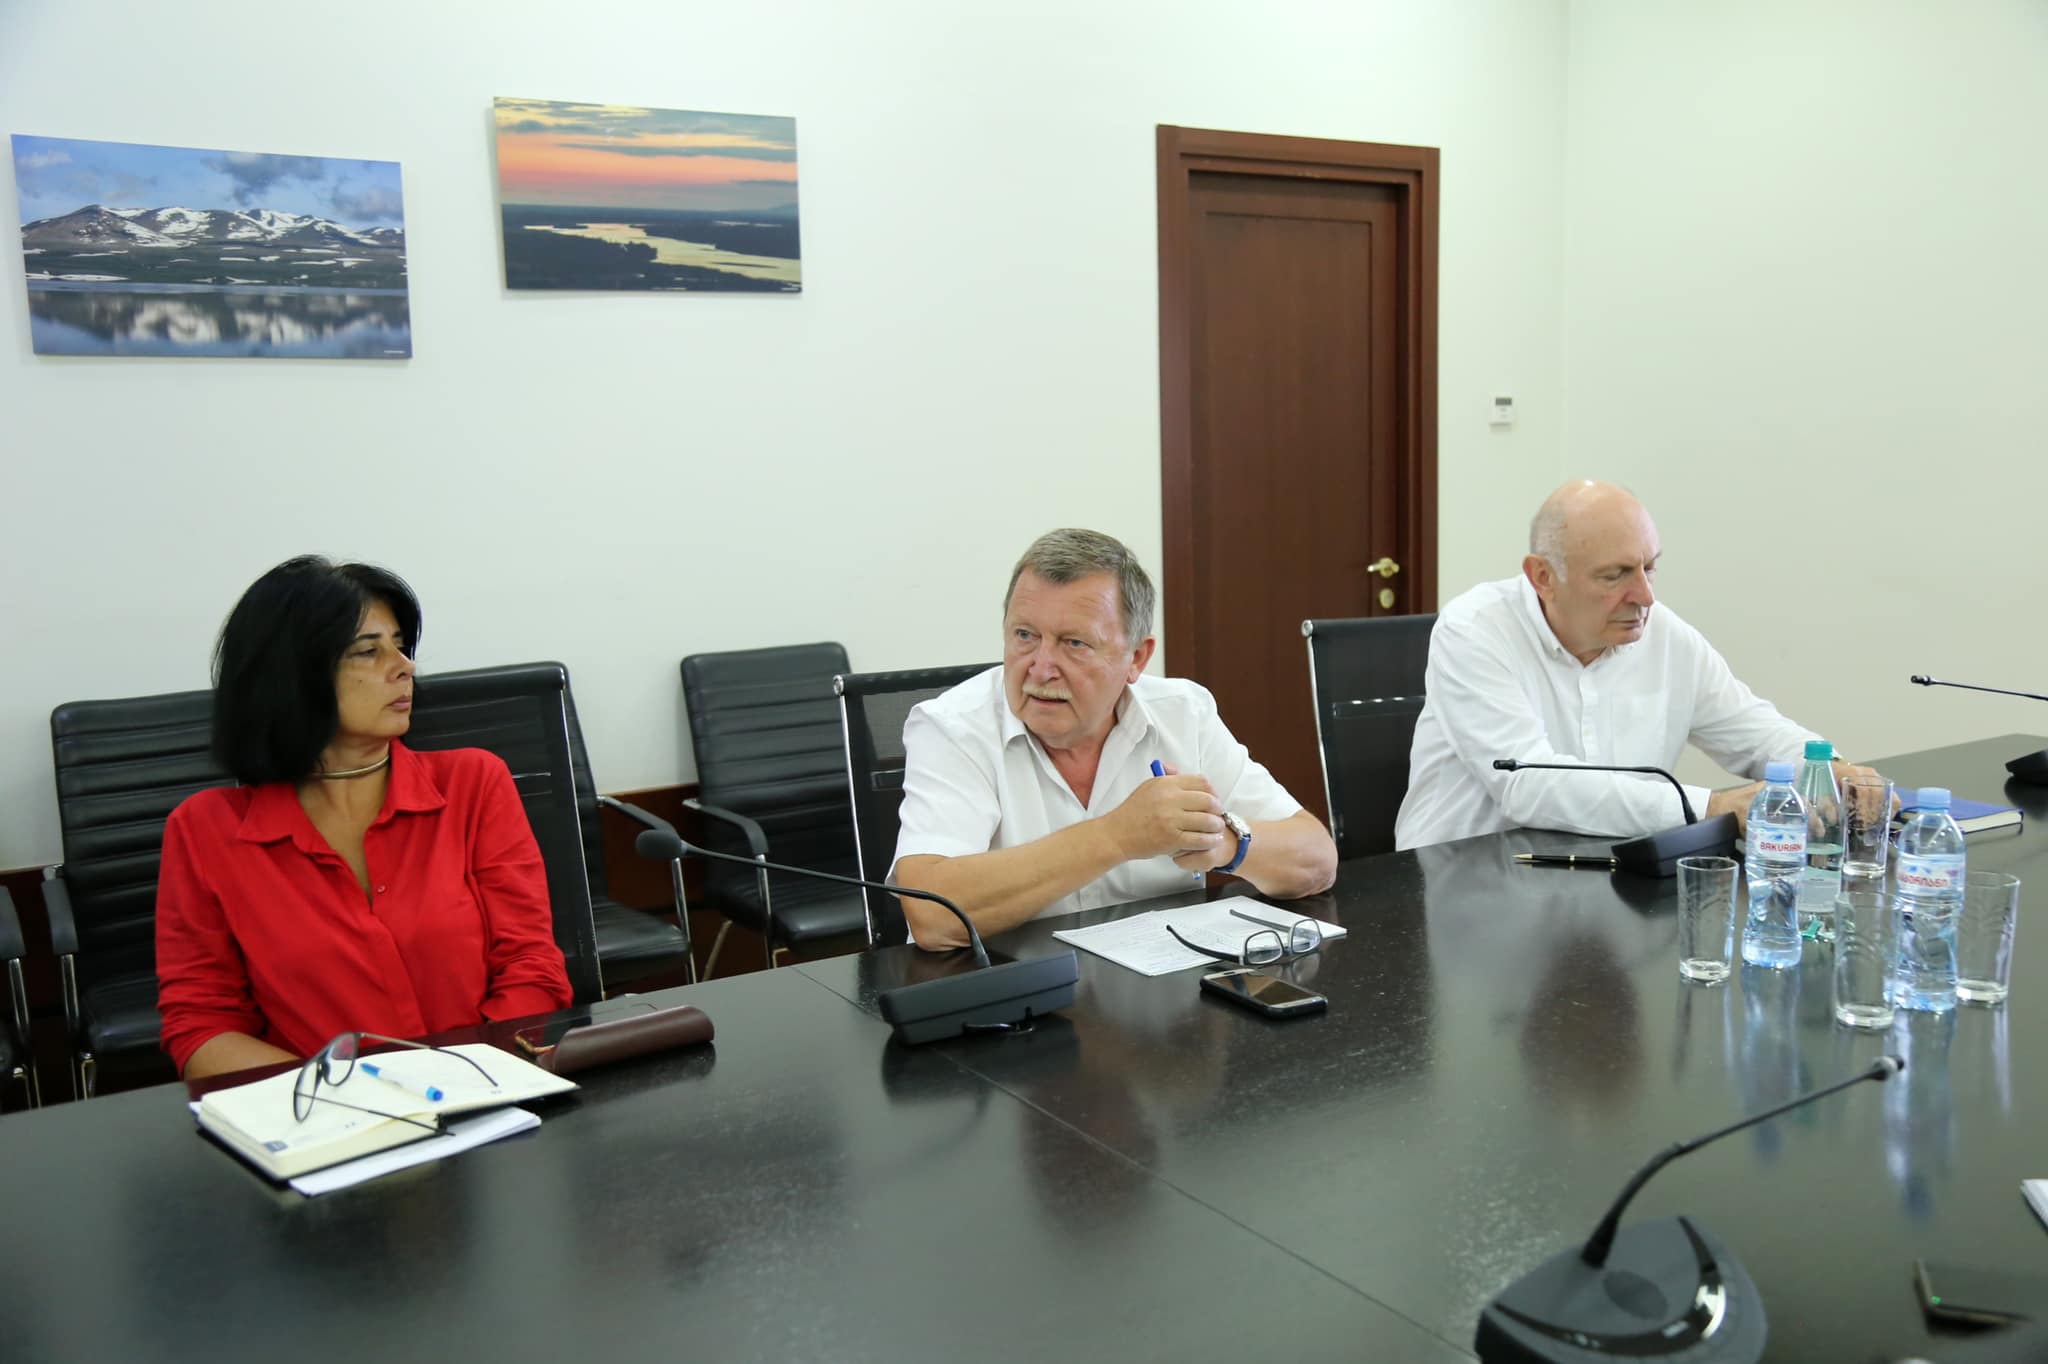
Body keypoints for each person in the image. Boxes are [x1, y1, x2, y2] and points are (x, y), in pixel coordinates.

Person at [156, 556, 572, 1079]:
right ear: (291, 675)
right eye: (368, 651)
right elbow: (202, 1027)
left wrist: (466, 1075)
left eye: (400, 645)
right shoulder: (205, 830)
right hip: (321, 1113)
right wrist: (356, 1095)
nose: (404, 667)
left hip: (489, 1092)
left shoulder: (472, 783)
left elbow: (531, 966)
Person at [890, 528, 1337, 949]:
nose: (1040, 668)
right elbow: (932, 916)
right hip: (1008, 991)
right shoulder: (953, 728)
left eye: (1074, 643)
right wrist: (1117, 836)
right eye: (1025, 636)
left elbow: (1317, 861)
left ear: (1136, 658)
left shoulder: (1182, 713)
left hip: (1160, 989)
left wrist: (1223, 843)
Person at [1395, 480, 1876, 850]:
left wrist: (1832, 771)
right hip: (1464, 885)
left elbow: (1755, 732)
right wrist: (1712, 806)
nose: (1644, 596)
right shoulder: (1475, 630)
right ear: (1543, 577)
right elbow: (1529, 784)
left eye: (1650, 567)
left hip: (1608, 876)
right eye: (1615, 575)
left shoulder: (1664, 635)